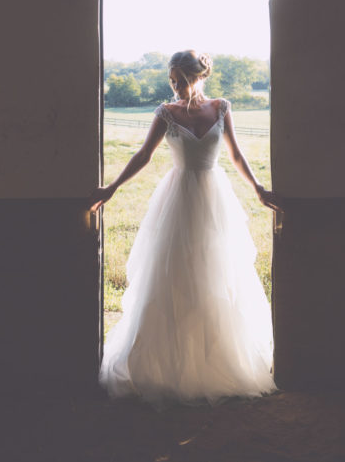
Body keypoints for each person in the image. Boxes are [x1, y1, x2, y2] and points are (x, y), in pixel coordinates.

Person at [87, 50, 284, 408]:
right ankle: (167, 367)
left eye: (182, 80)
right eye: (172, 81)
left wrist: (258, 189)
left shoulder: (222, 108)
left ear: (200, 76)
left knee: (217, 277)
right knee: (173, 278)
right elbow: (143, 155)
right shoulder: (166, 113)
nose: (177, 87)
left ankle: (214, 365)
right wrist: (111, 188)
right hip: (177, 200)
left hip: (214, 199)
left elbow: (237, 155)